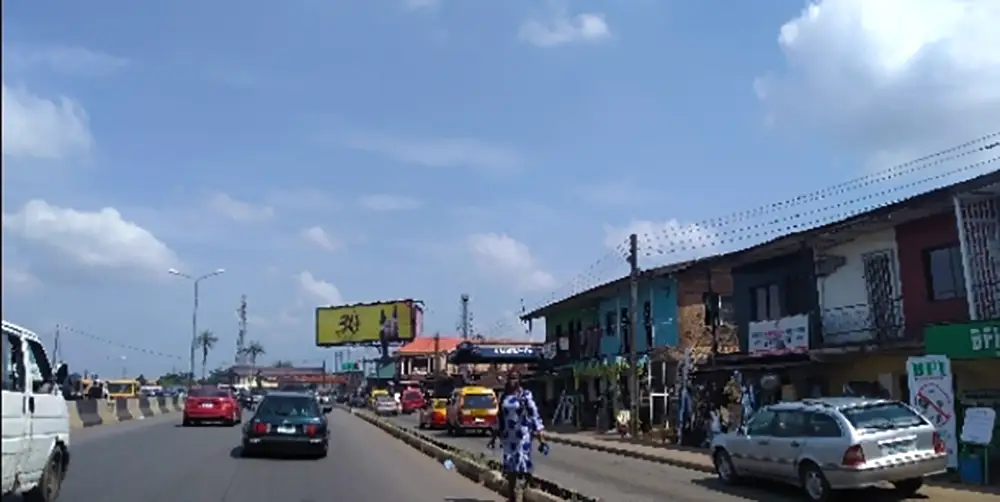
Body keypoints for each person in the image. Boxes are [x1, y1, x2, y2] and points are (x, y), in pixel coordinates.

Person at [488, 370, 546, 502]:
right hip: (508, 437)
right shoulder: (504, 397)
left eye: (514, 378)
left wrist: (541, 439)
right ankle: (512, 497)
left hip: (522, 437)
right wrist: (493, 438)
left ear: (519, 380)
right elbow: (499, 418)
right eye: (510, 378)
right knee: (510, 469)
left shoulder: (525, 396)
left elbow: (534, 416)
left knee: (521, 465)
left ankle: (520, 495)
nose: (512, 381)